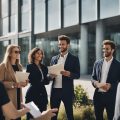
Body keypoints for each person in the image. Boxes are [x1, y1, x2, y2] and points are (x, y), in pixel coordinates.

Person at [50, 35, 80, 120]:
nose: (61, 46)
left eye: (63, 44)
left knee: (70, 115)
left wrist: (69, 74)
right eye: (60, 44)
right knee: (53, 116)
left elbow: (77, 75)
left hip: (67, 91)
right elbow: (48, 75)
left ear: (68, 45)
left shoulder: (74, 59)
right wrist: (50, 76)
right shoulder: (54, 59)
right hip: (55, 91)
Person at [91, 40, 120, 120]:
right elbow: (93, 77)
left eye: (107, 49)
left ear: (112, 50)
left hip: (111, 98)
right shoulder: (97, 63)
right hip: (98, 97)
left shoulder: (118, 65)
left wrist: (111, 86)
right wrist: (95, 83)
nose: (104, 51)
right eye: (103, 48)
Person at [0, 44, 28, 120]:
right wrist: (14, 84)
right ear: (9, 53)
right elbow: (0, 83)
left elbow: (20, 82)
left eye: (19, 52)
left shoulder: (20, 66)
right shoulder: (3, 66)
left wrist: (25, 83)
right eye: (16, 52)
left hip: (18, 97)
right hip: (8, 99)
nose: (18, 53)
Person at [25, 47, 50, 120]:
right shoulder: (29, 67)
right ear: (33, 55)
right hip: (32, 93)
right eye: (38, 53)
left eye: (41, 53)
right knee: (31, 116)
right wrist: (44, 80)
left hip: (42, 94)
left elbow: (46, 82)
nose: (40, 55)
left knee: (42, 116)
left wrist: (50, 77)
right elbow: (32, 80)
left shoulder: (44, 67)